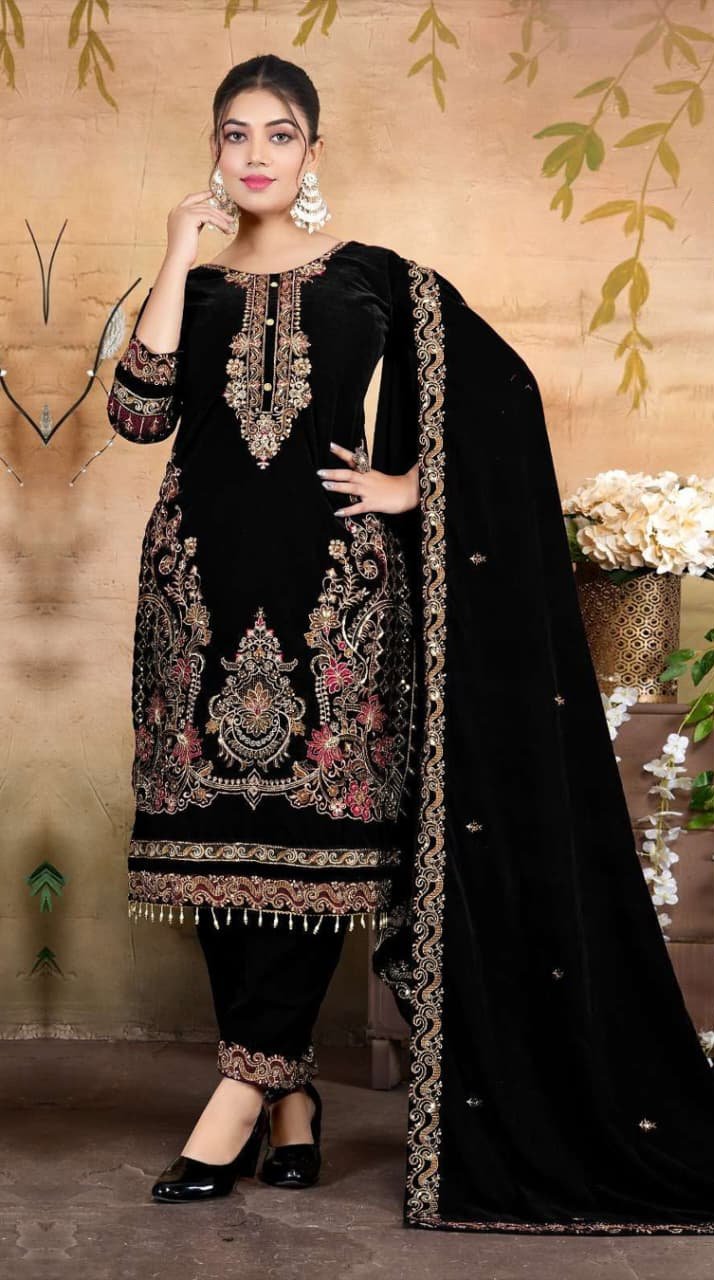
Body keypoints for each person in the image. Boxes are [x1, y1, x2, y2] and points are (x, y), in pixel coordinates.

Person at [107, 54, 714, 1233]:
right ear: (214, 150)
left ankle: (238, 1095)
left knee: (315, 841)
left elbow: (502, 402)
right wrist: (177, 253)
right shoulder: (196, 281)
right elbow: (139, 410)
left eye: (280, 134)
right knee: (221, 849)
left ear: (314, 151)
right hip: (193, 599)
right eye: (235, 134)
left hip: (335, 600)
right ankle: (290, 1102)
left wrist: (412, 485)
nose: (256, 155)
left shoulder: (378, 279)